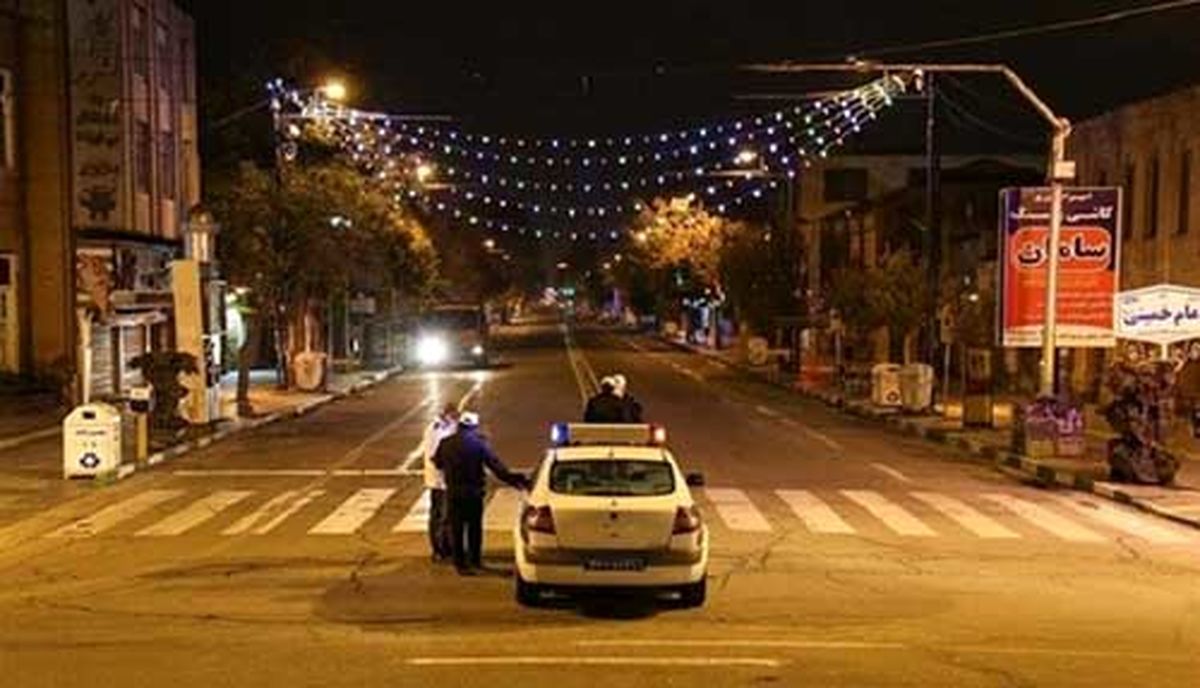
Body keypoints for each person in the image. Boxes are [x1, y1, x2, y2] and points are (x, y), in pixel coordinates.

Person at [434, 412, 528, 575]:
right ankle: (475, 561)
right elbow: (496, 467)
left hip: (454, 492)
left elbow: (438, 462)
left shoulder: (446, 443)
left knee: (456, 528)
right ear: (474, 427)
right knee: (474, 527)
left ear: (460, 425)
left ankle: (460, 564)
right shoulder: (479, 444)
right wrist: (517, 481)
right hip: (473, 492)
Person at [421, 403, 459, 562]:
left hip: (443, 481)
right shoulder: (436, 430)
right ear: (447, 414)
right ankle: (440, 550)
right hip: (440, 481)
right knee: (442, 517)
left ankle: (445, 548)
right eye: (454, 416)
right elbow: (436, 457)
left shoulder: (446, 427)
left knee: (444, 516)